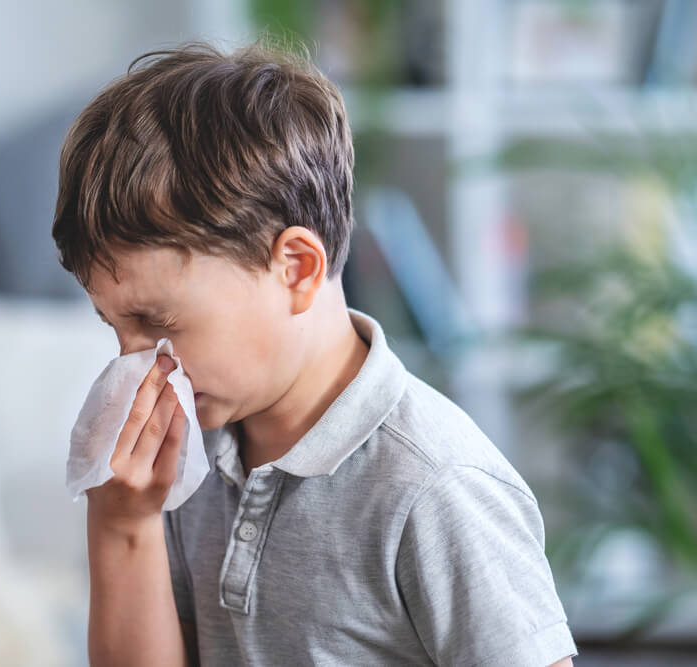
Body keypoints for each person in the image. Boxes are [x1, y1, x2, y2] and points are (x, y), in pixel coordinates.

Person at [51, 38, 578, 667]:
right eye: (114, 328)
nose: (137, 365)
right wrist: (122, 526)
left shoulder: (436, 486)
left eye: (156, 322)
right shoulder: (192, 458)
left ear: (297, 268)